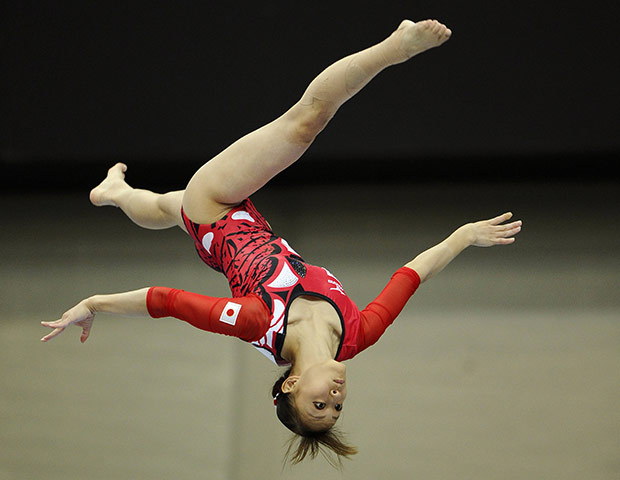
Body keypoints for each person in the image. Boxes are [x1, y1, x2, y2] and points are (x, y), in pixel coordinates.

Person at [41, 19, 522, 466]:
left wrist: (93, 303)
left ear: (290, 383)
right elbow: (412, 274)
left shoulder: (255, 324)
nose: (335, 396)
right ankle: (117, 193)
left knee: (304, 123)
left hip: (215, 207)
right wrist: (464, 236)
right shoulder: (358, 333)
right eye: (337, 406)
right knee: (170, 208)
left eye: (319, 403)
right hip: (236, 223)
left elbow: (164, 300)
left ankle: (396, 46)